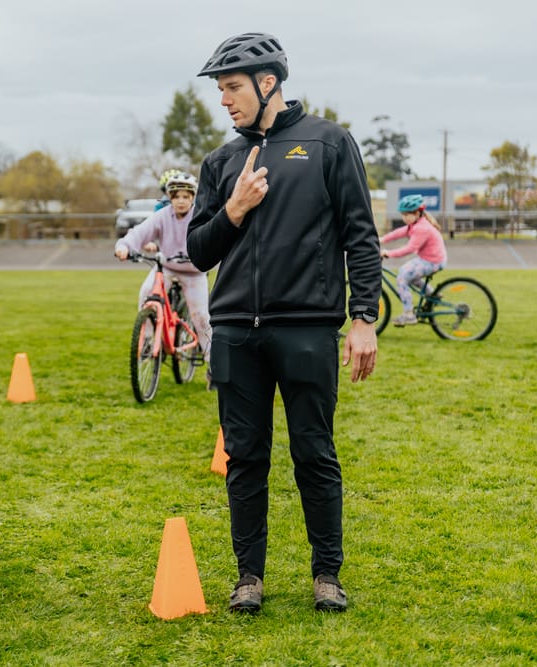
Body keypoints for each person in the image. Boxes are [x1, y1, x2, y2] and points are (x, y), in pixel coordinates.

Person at [185, 32, 381, 614]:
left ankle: (327, 575)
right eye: (220, 91)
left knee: (314, 453)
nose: (224, 101)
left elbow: (360, 236)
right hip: (237, 334)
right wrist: (235, 208)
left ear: (268, 83)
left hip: (307, 329)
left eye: (232, 88)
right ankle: (249, 577)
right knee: (245, 457)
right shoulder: (221, 162)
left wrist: (363, 318)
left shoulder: (328, 143)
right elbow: (198, 251)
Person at [115, 172, 212, 365]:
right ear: (170, 198)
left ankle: (213, 365)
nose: (181, 201)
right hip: (167, 268)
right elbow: (140, 232)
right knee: (146, 294)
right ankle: (149, 341)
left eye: (186, 196)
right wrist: (124, 246)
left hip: (194, 272)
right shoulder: (162, 216)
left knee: (201, 317)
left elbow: (214, 237)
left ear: (193, 197)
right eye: (176, 197)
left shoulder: (200, 216)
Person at [380, 194, 447, 325]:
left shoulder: (422, 228)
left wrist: (388, 253)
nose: (404, 218)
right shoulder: (415, 224)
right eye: (402, 214)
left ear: (417, 213)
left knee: (402, 277)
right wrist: (382, 239)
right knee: (408, 274)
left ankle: (409, 314)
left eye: (406, 215)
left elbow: (409, 248)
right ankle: (432, 295)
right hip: (431, 259)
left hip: (432, 261)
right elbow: (399, 232)